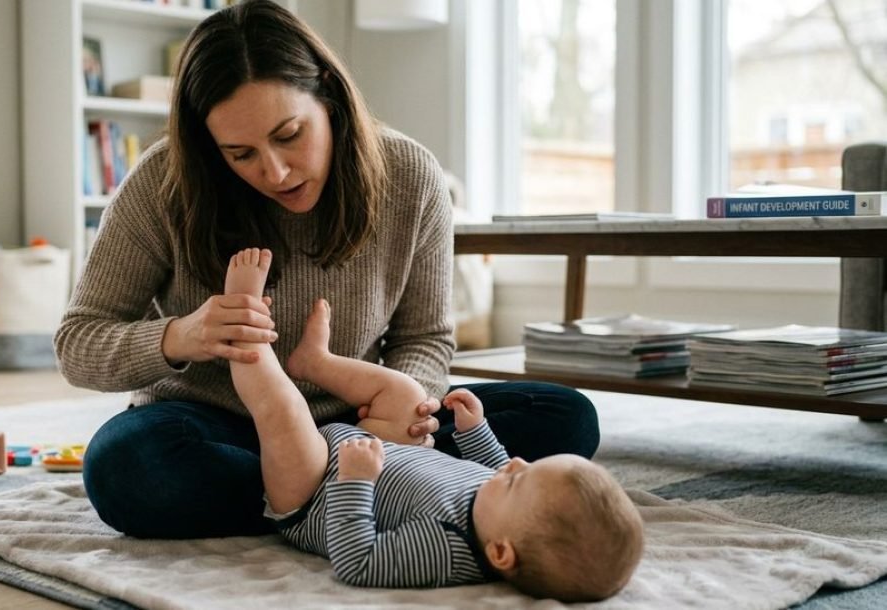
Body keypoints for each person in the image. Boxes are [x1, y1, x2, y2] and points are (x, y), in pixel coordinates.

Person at [56, 0, 600, 540]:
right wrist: (181, 336)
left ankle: (316, 498)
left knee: (565, 417)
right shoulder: (162, 183)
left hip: (359, 424)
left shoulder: (410, 175)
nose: (274, 171)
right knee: (126, 469)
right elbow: (78, 344)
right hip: (215, 425)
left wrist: (404, 416)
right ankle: (352, 498)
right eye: (240, 154)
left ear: (329, 96)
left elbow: (425, 338)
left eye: (290, 134)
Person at [223, 247, 643, 600]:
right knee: (406, 393)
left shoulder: (447, 547)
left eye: (519, 480)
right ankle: (316, 363)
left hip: (317, 490)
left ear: (500, 553)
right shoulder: (503, 505)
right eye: (528, 467)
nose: (516, 464)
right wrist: (474, 432)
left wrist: (355, 483)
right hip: (381, 449)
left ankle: (244, 328)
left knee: (284, 410)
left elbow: (357, 560)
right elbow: (494, 466)